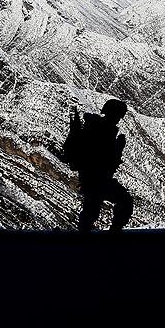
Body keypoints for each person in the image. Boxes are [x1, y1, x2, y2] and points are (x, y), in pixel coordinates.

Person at [63, 99, 132, 232]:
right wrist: (118, 148)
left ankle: (85, 237)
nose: (119, 119)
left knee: (91, 211)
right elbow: (103, 159)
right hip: (96, 180)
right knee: (124, 201)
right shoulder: (102, 131)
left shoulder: (98, 128)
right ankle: (112, 232)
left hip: (92, 179)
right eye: (118, 115)